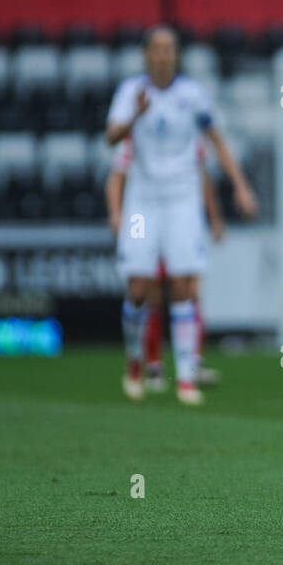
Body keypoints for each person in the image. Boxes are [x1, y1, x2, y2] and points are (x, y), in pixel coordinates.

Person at [105, 26, 258, 404]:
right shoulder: (130, 93)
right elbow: (111, 138)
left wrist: (240, 185)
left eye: (169, 49)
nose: (163, 55)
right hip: (142, 201)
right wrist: (135, 116)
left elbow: (216, 139)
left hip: (182, 198)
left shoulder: (192, 95)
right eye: (156, 49)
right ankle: (136, 363)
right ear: (145, 55)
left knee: (185, 286)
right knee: (139, 287)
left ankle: (186, 377)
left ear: (176, 55)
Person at [105, 135, 225, 389]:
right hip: (142, 219)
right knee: (147, 288)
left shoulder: (189, 135)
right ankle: (150, 364)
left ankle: (192, 365)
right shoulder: (135, 134)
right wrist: (116, 214)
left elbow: (202, 179)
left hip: (180, 216)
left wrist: (214, 217)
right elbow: (117, 176)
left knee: (190, 288)